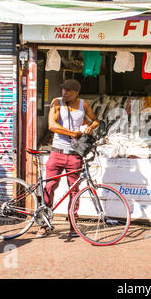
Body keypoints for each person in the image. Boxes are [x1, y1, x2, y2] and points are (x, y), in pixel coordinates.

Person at [37, 79, 99, 238]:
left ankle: (73, 224)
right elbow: (52, 125)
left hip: (75, 155)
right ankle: (44, 223)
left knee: (74, 191)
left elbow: (95, 120)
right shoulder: (56, 103)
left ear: (76, 93)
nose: (64, 93)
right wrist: (73, 133)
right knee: (49, 187)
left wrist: (91, 127)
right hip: (57, 153)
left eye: (68, 91)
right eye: (63, 89)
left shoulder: (83, 105)